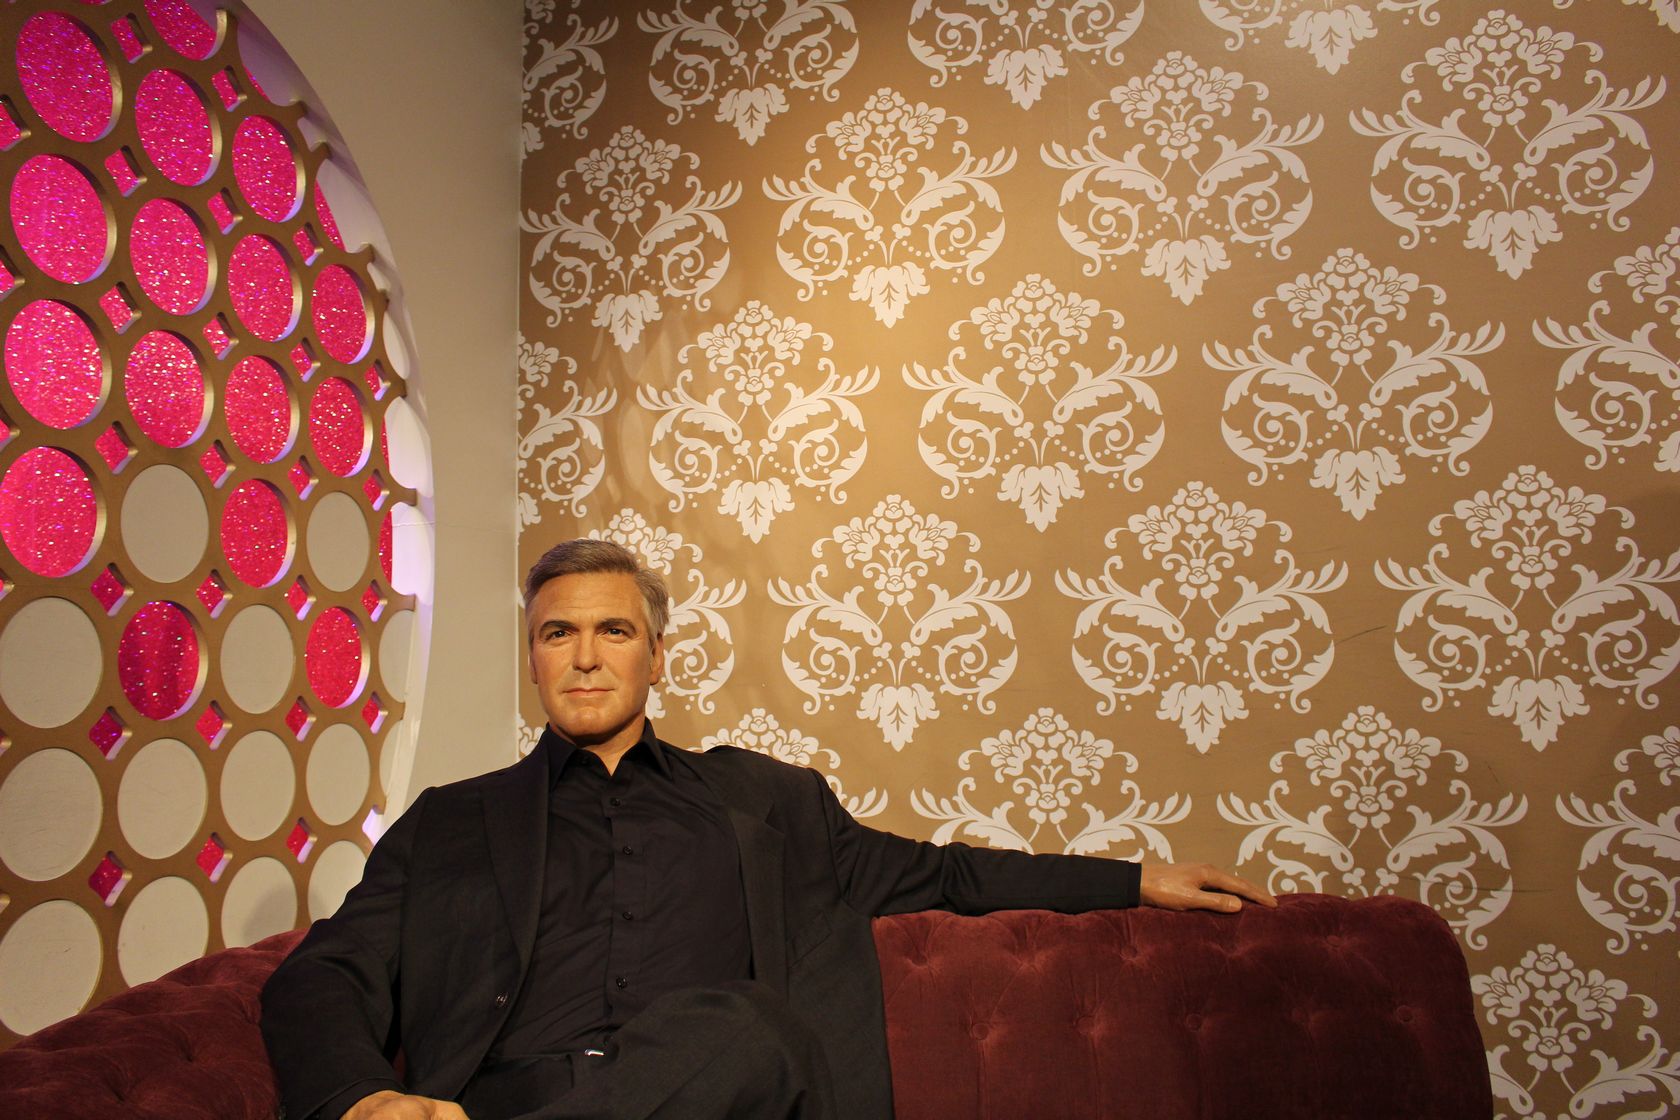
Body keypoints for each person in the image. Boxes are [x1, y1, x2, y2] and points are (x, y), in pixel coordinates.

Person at [262, 538, 1275, 1120]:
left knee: (746, 1029)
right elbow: (322, 973)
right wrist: (361, 1097)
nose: (585, 656)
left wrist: (1134, 880)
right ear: (533, 659)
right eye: (557, 633)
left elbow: (948, 875)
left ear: (657, 656)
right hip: (505, 1097)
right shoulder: (452, 822)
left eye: (614, 630)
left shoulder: (765, 804)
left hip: (722, 1093)